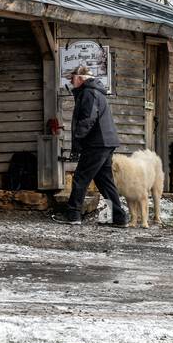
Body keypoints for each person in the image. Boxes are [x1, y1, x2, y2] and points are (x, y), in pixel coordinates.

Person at [57, 65, 128, 227]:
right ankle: (119, 217)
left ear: (81, 78)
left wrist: (78, 139)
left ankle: (73, 215)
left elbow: (88, 118)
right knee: (104, 181)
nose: (71, 80)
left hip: (96, 143)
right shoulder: (95, 91)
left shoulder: (89, 92)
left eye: (73, 77)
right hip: (105, 142)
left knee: (81, 178)